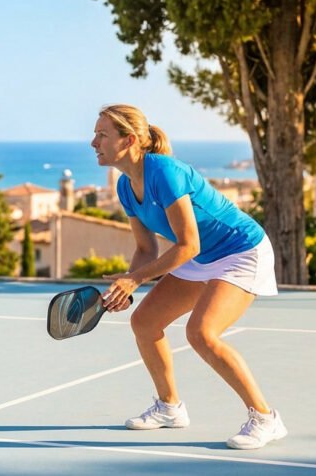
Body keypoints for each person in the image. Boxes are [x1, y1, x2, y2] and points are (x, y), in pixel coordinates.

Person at [90, 104, 287, 450]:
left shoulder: (164, 172)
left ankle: (266, 419)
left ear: (129, 140)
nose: (93, 142)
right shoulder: (125, 187)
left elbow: (188, 245)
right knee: (145, 323)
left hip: (240, 250)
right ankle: (169, 408)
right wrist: (125, 284)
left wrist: (135, 280)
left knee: (202, 333)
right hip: (199, 255)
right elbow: (147, 250)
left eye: (102, 134)